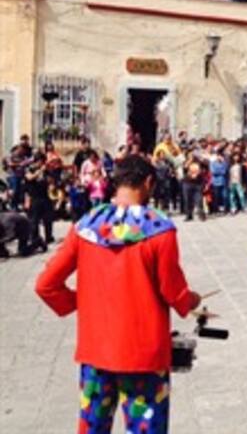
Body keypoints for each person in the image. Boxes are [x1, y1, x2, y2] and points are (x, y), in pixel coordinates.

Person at [35, 155, 201, 434]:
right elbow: (173, 291)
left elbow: (45, 285)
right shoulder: (160, 230)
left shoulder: (86, 226)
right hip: (144, 358)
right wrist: (191, 301)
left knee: (93, 428)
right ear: (148, 182)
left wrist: (80, 301)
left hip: (95, 353)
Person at [25, 152, 54, 253]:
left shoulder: (46, 170)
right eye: (40, 161)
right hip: (34, 197)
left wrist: (48, 175)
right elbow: (29, 177)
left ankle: (49, 236)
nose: (42, 163)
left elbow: (51, 181)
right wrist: (39, 171)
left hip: (45, 196)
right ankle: (35, 238)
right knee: (34, 220)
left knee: (48, 218)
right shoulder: (29, 169)